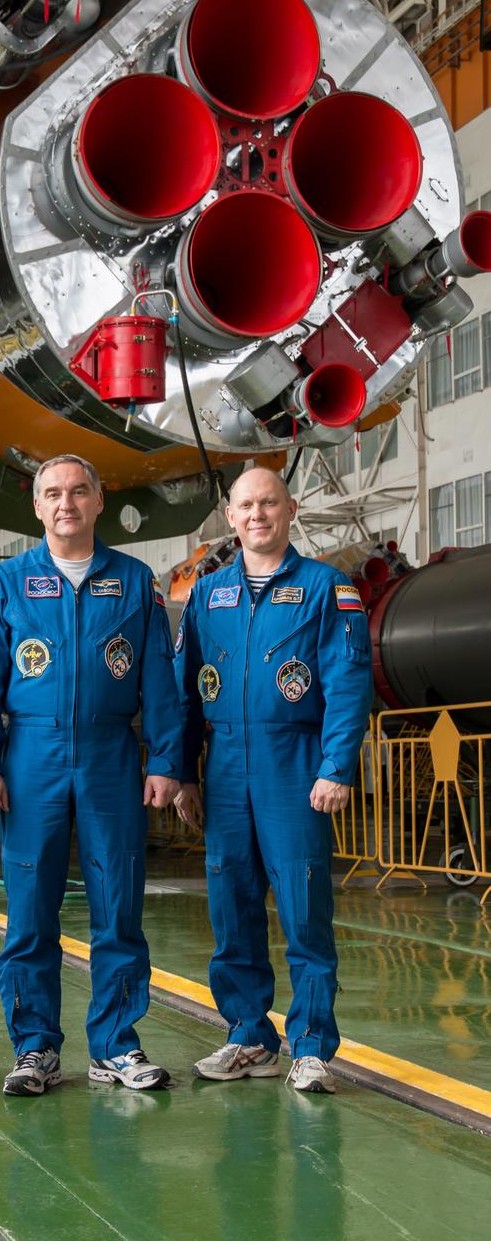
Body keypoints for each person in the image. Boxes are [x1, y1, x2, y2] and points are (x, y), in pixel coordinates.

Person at [0, 455, 180, 1095]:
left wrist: (166, 761)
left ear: (98, 501)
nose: (66, 503)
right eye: (53, 493)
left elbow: (160, 683)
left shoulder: (135, 581)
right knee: (31, 912)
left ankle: (115, 1045)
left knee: (119, 905)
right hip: (30, 755)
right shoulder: (5, 583)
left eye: (79, 492)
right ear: (37, 507)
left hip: (111, 753)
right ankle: (35, 1048)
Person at [174, 466, 372, 1093]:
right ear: (229, 517)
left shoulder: (327, 589)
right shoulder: (207, 596)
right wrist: (183, 774)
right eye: (245, 506)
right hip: (226, 769)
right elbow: (185, 691)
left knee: (304, 909)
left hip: (296, 765)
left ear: (290, 510)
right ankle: (248, 1036)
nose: (257, 515)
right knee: (230, 908)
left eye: (269, 503)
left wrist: (336, 766)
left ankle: (311, 1046)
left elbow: (347, 684)